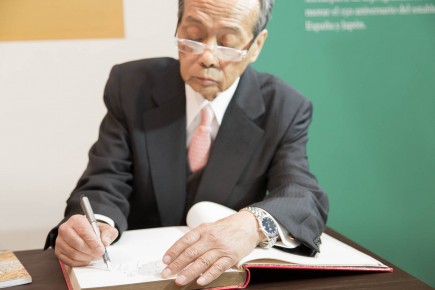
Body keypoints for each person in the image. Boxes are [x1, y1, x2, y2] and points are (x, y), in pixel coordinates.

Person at [45, 0, 329, 287]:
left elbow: (302, 195)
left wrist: (253, 225)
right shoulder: (131, 86)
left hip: (224, 279)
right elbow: (106, 178)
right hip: (137, 277)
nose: (207, 56)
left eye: (227, 42)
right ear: (177, 27)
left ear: (255, 46)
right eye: (192, 37)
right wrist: (96, 225)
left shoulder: (283, 107)